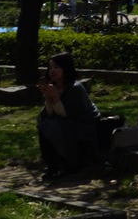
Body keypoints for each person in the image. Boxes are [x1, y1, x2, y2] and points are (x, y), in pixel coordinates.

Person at [35, 52, 100, 181]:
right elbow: (48, 114)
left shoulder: (75, 88)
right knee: (44, 123)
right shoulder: (54, 87)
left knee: (55, 125)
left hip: (84, 125)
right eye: (50, 68)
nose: (52, 71)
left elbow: (67, 114)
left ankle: (70, 164)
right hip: (65, 123)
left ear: (66, 68)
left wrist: (55, 98)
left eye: (57, 67)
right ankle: (52, 165)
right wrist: (48, 98)